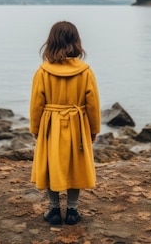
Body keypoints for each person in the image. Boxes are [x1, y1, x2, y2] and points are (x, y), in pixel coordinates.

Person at [30, 21, 101, 226]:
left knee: (53, 166)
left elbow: (36, 103)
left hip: (51, 124)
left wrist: (36, 129)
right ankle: (72, 211)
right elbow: (93, 104)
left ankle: (53, 210)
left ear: (51, 43)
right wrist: (94, 130)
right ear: (76, 42)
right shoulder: (86, 71)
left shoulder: (43, 71)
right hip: (77, 125)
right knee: (74, 166)